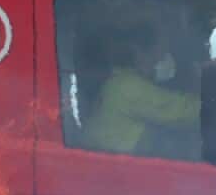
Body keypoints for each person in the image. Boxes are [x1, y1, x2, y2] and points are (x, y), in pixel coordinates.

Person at [84, 23, 202, 160]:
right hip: (113, 170)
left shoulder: (119, 81)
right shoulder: (128, 87)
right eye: (162, 54)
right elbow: (181, 111)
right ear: (140, 52)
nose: (164, 59)